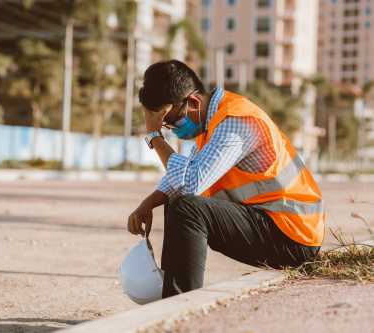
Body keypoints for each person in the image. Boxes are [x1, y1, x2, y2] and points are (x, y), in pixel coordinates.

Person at [127, 60, 324, 298]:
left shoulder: (235, 121)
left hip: (293, 237)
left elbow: (190, 182)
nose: (173, 129)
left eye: (172, 121)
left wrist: (154, 137)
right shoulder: (211, 124)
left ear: (193, 102)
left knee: (188, 208)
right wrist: (148, 203)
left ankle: (180, 303)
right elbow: (181, 178)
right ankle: (173, 296)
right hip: (277, 227)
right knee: (178, 201)